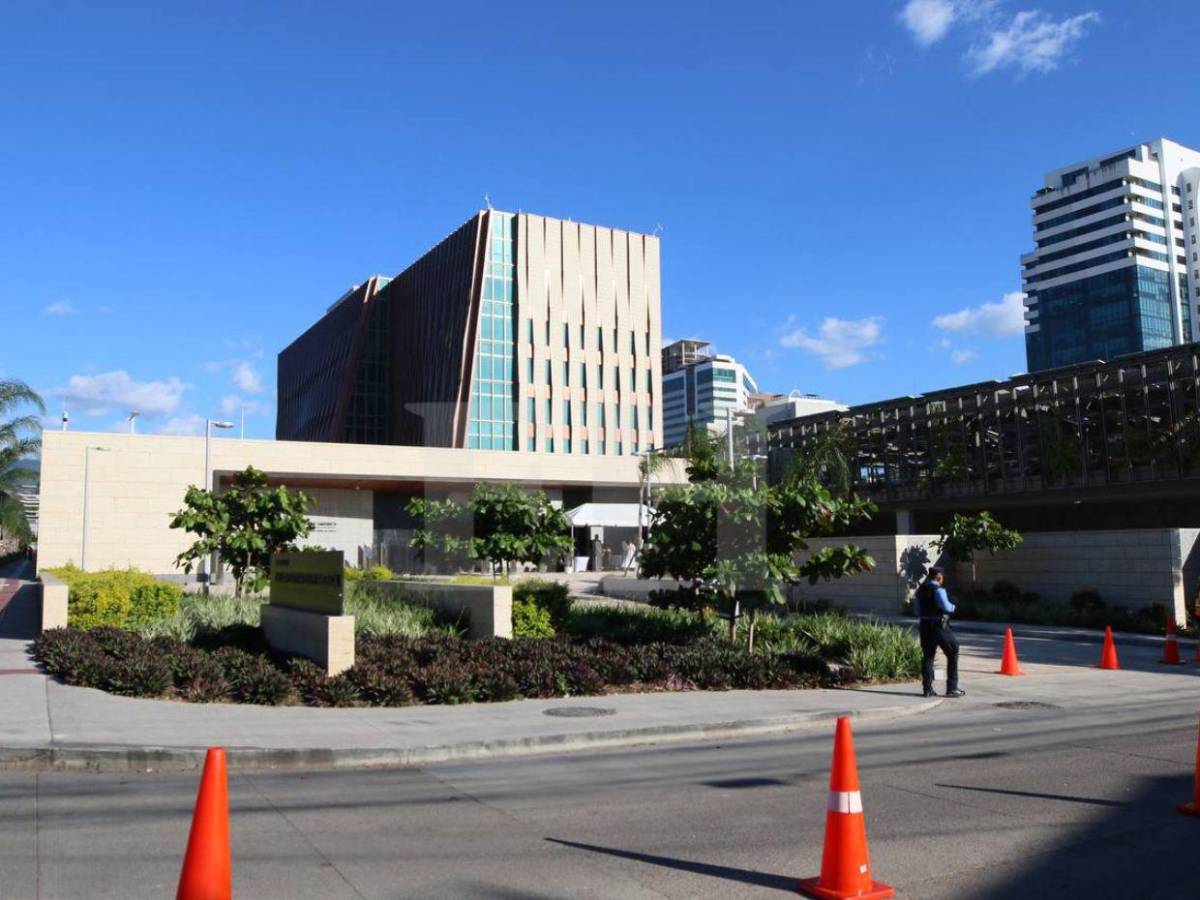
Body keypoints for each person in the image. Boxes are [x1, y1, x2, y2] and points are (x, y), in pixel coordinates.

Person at [916, 566, 964, 698]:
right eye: (941, 578)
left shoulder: (920, 591)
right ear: (938, 577)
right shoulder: (938, 590)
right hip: (939, 626)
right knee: (953, 651)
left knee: (928, 656)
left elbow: (917, 611)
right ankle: (952, 688)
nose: (942, 580)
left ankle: (927, 689)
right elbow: (946, 606)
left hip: (924, 626)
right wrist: (954, 607)